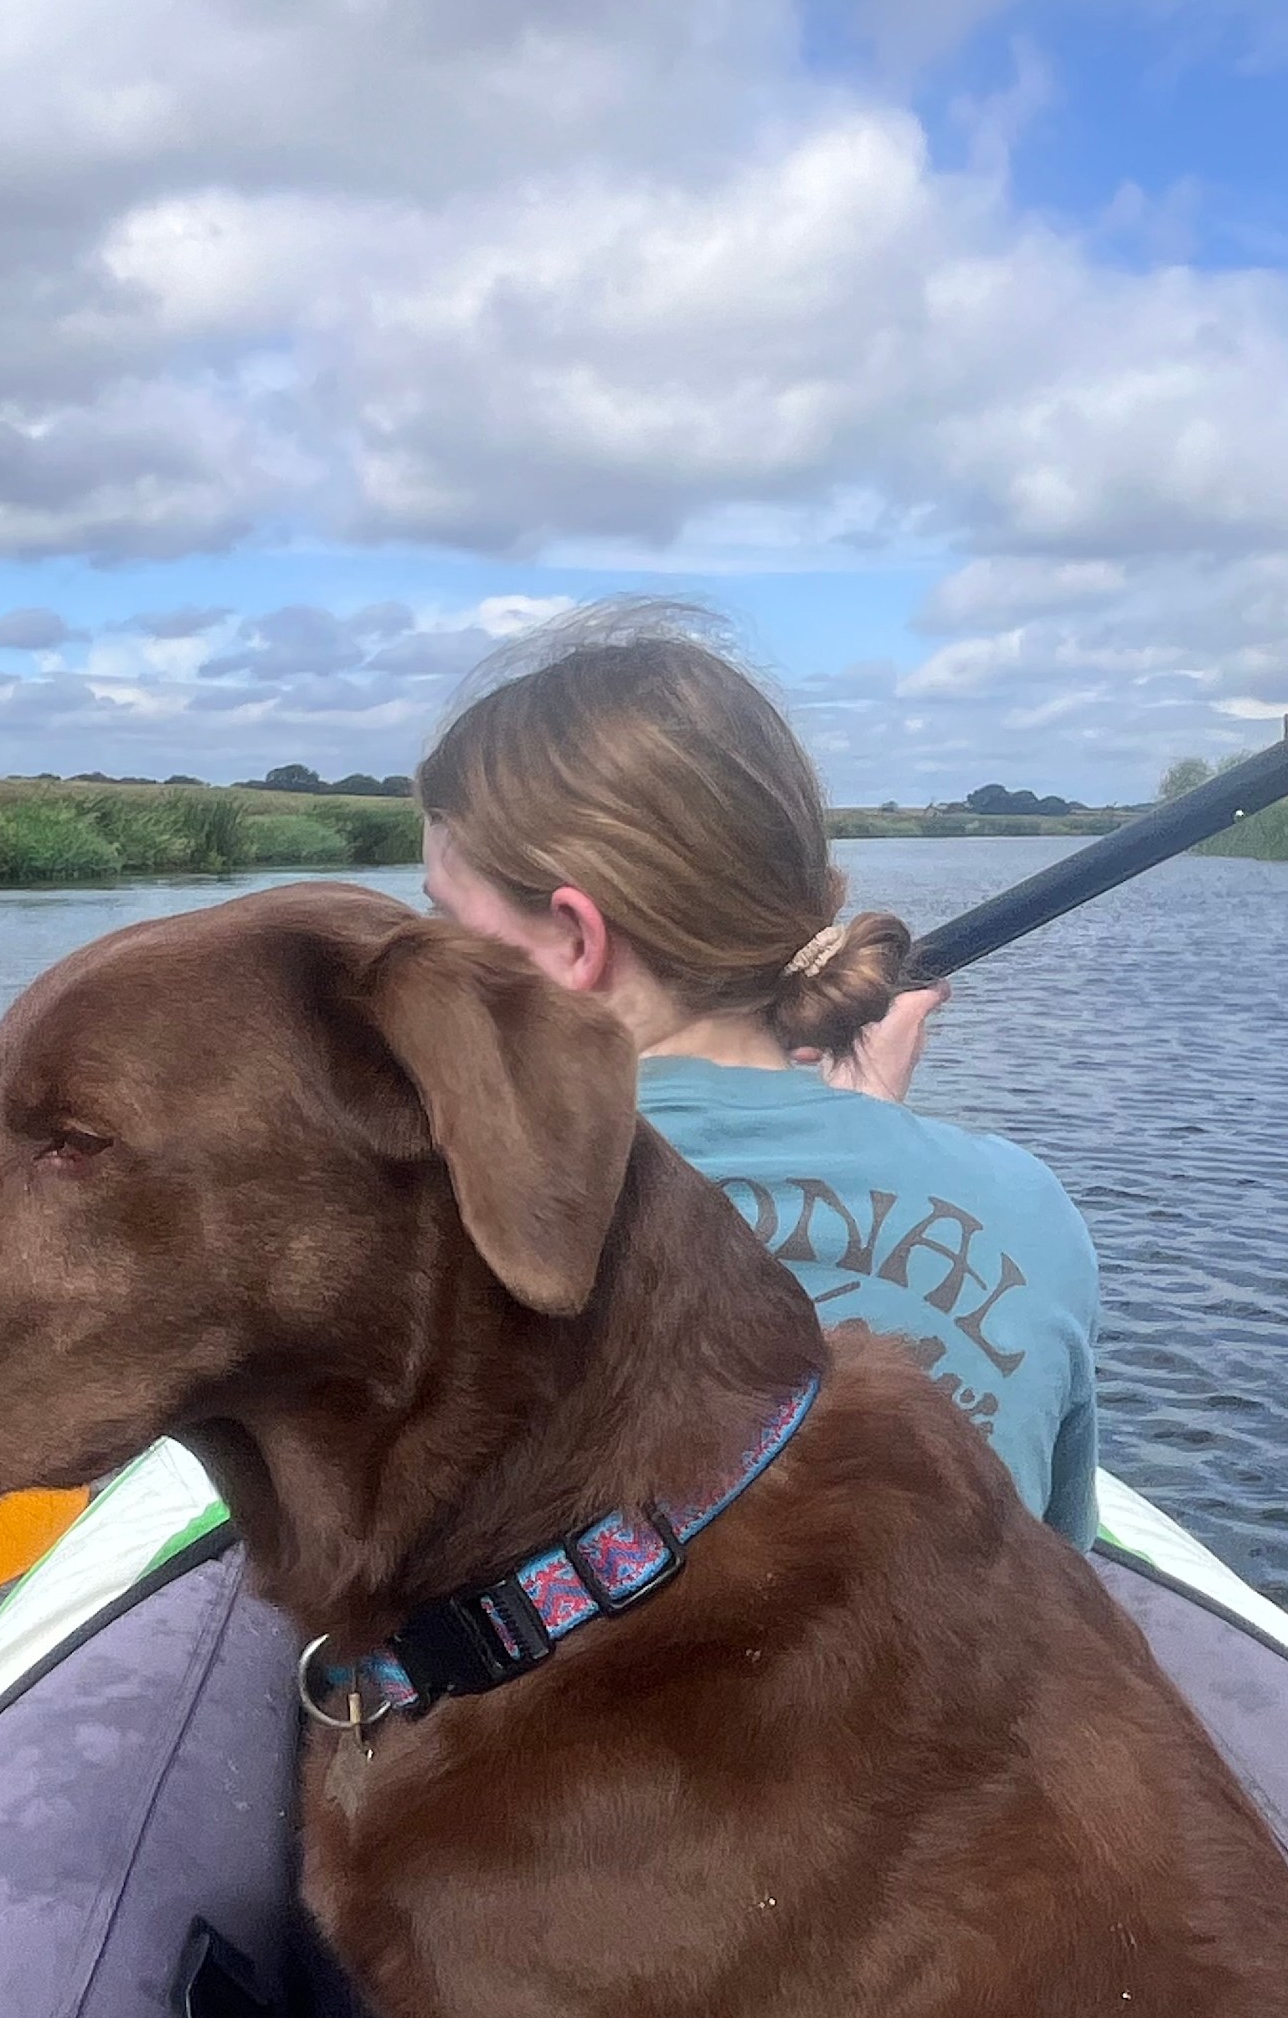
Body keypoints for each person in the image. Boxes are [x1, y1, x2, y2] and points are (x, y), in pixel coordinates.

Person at [414, 607, 1099, 1545]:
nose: (436, 960)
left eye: (448, 922)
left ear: (576, 939)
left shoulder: (438, 1211)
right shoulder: (1027, 1208)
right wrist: (859, 1130)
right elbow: (1062, 1572)